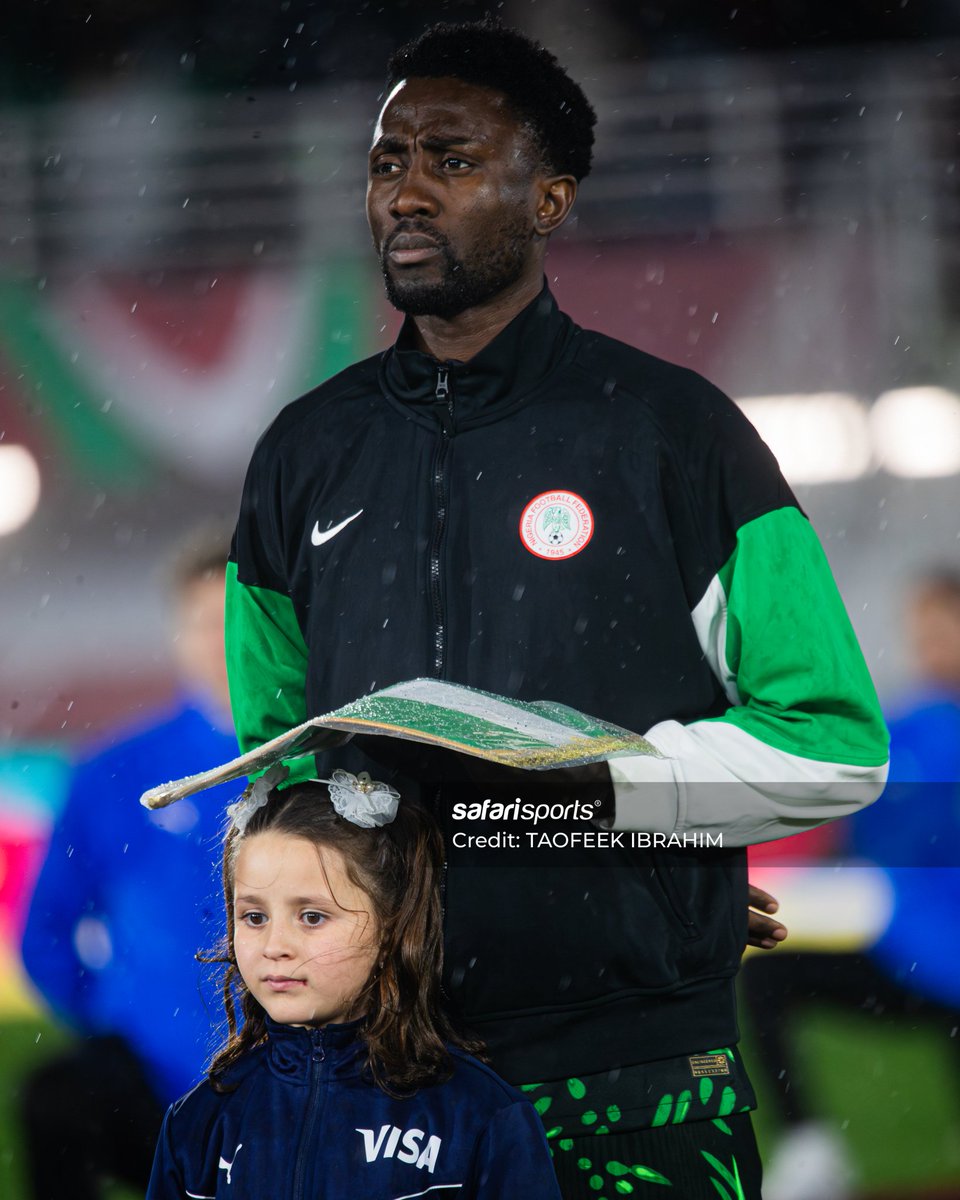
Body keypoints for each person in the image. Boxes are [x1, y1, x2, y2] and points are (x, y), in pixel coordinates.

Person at [224, 19, 889, 1197]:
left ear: (551, 199)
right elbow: (283, 776)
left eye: (454, 160)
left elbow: (834, 746)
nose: (409, 194)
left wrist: (623, 808)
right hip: (386, 1085)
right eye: (389, 164)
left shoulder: (676, 433)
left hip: (637, 1085)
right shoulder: (302, 453)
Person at [147, 774, 563, 1199]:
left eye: (312, 917)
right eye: (254, 917)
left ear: (390, 929)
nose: (275, 947)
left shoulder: (479, 1116)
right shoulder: (196, 1123)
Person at [20, 528, 237, 1200]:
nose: (220, 642)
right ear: (176, 635)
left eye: (237, 621)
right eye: (203, 622)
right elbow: (47, 927)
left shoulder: (329, 759)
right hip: (149, 1073)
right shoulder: (115, 770)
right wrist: (112, 1015)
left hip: (297, 1068)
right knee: (54, 1103)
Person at [741, 568, 960, 1200]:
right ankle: (812, 1151)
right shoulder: (913, 725)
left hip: (927, 958)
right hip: (915, 960)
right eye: (924, 635)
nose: (930, 650)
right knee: (769, 980)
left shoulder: (923, 730)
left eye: (942, 633)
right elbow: (842, 812)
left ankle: (812, 1152)